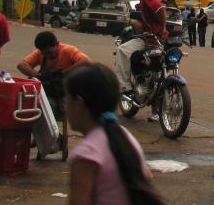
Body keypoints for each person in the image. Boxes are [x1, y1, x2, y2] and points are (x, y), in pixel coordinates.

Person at [65, 63, 165, 205]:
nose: (65, 106)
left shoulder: (86, 154)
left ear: (79, 104)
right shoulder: (123, 136)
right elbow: (146, 176)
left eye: (67, 100)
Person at [114, 0, 167, 96]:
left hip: (150, 40)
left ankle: (125, 86)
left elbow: (160, 10)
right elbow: (142, 25)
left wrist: (162, 27)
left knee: (122, 50)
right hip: (158, 40)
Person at [17, 31, 91, 112]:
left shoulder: (67, 50)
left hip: (66, 93)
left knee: (47, 107)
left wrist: (62, 73)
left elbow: (86, 61)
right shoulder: (41, 53)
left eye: (49, 52)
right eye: (44, 53)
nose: (47, 56)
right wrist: (39, 76)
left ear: (57, 44)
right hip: (50, 93)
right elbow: (21, 65)